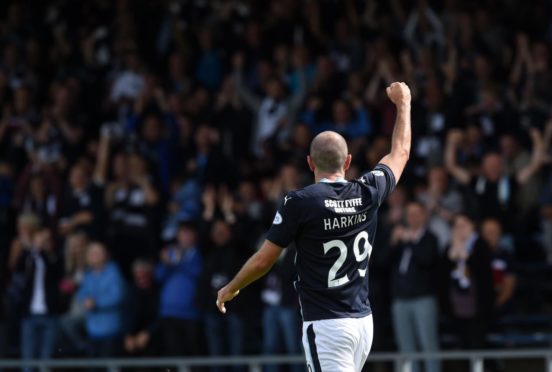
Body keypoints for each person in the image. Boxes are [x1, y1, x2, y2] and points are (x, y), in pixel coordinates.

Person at [217, 82, 412, 371]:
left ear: (310, 163)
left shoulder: (300, 202)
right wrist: (404, 103)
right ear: (347, 162)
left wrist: (232, 287)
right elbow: (401, 152)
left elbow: (263, 260)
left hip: (328, 325)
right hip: (362, 322)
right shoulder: (368, 191)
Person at [388, 201, 441, 372]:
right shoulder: (400, 238)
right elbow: (382, 262)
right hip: (400, 300)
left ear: (424, 216)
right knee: (406, 348)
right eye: (409, 214)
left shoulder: (430, 238)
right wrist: (393, 243)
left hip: (423, 299)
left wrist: (410, 241)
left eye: (417, 213)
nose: (412, 217)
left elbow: (426, 260)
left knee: (428, 346)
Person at [77, 242, 125, 357]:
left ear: (105, 255)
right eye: (92, 253)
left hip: (110, 330)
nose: (94, 256)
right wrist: (85, 300)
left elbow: (117, 296)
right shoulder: (88, 275)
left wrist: (96, 303)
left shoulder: (113, 272)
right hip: (92, 329)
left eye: (98, 253)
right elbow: (81, 294)